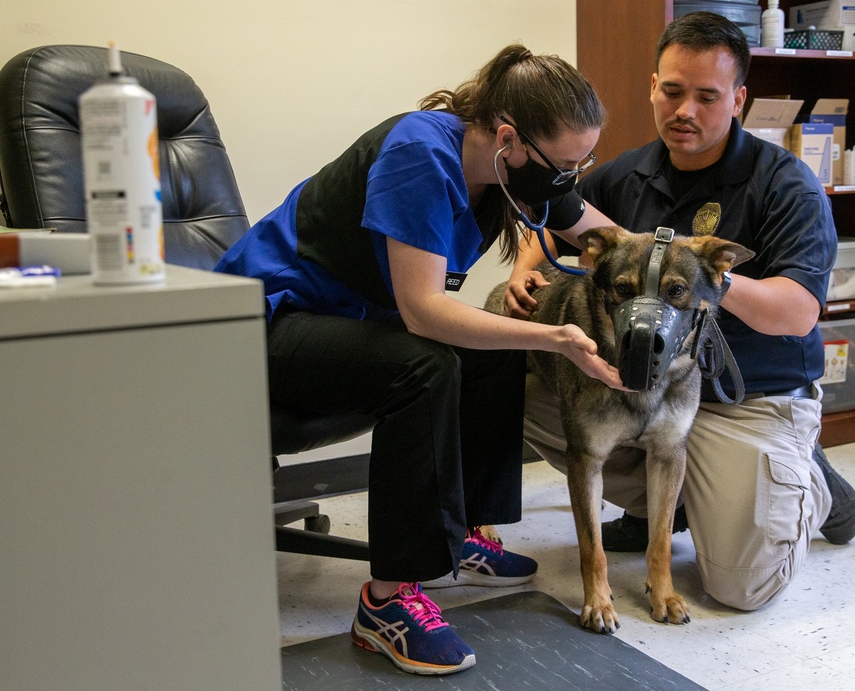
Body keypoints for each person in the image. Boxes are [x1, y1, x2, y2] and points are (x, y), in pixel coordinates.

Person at [215, 44, 625, 675]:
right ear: (509, 139)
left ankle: (463, 536)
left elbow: (597, 232)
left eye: (583, 163)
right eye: (565, 165)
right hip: (261, 325)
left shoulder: (503, 169)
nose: (570, 179)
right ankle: (385, 602)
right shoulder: (421, 155)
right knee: (428, 360)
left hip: (340, 323)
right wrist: (557, 337)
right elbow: (424, 313)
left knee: (495, 339)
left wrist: (662, 257)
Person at [503, 12, 855, 612]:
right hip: (645, 386)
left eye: (706, 95)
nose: (684, 110)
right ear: (652, 87)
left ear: (739, 99)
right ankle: (670, 505)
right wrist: (524, 270)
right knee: (516, 378)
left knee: (743, 588)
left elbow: (798, 313)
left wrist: (699, 277)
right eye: (671, 91)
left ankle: (808, 481)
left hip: (750, 400)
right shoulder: (628, 171)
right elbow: (563, 222)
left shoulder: (784, 183)